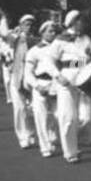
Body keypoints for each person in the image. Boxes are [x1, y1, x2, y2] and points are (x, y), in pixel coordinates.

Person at [48, 10, 91, 164]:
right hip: (67, 81)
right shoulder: (60, 40)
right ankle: (71, 152)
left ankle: (77, 140)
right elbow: (49, 61)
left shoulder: (86, 39)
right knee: (68, 118)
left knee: (87, 118)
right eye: (81, 21)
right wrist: (58, 76)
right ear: (73, 22)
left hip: (85, 81)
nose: (84, 24)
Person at [24, 21, 61, 158]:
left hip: (57, 85)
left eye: (54, 31)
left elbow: (71, 63)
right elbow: (28, 72)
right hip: (41, 84)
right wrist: (36, 86)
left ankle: (53, 137)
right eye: (50, 31)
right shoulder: (34, 51)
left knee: (60, 116)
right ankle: (45, 147)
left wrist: (85, 60)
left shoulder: (61, 48)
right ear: (42, 33)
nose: (53, 33)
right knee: (41, 117)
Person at [6, 14, 37, 148]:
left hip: (34, 80)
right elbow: (8, 42)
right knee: (19, 108)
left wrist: (83, 62)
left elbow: (60, 62)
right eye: (26, 24)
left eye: (31, 24)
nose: (29, 27)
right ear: (20, 25)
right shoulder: (14, 38)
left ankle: (31, 133)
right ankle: (23, 136)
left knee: (34, 109)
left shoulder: (37, 42)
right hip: (17, 77)